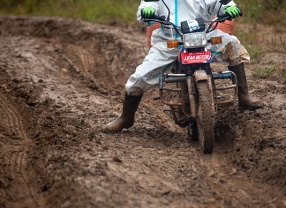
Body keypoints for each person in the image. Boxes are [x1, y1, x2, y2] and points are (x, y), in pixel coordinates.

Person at [103, 0, 262, 134]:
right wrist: (147, 11)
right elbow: (147, 6)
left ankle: (244, 97)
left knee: (233, 45)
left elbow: (221, 2)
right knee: (139, 77)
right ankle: (126, 118)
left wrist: (229, 8)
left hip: (204, 35)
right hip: (169, 39)